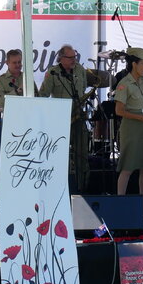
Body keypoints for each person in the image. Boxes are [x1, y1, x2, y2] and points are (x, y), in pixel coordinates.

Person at [115, 47, 143, 219]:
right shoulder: (124, 83)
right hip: (131, 127)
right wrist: (141, 118)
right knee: (127, 167)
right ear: (134, 64)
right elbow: (119, 111)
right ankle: (120, 205)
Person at [39, 44, 90, 192]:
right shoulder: (53, 73)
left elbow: (84, 87)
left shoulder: (80, 70)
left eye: (75, 56)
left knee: (82, 154)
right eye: (70, 57)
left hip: (78, 117)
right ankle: (61, 189)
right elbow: (43, 95)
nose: (74, 60)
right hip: (60, 120)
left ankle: (82, 189)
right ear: (61, 58)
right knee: (61, 156)